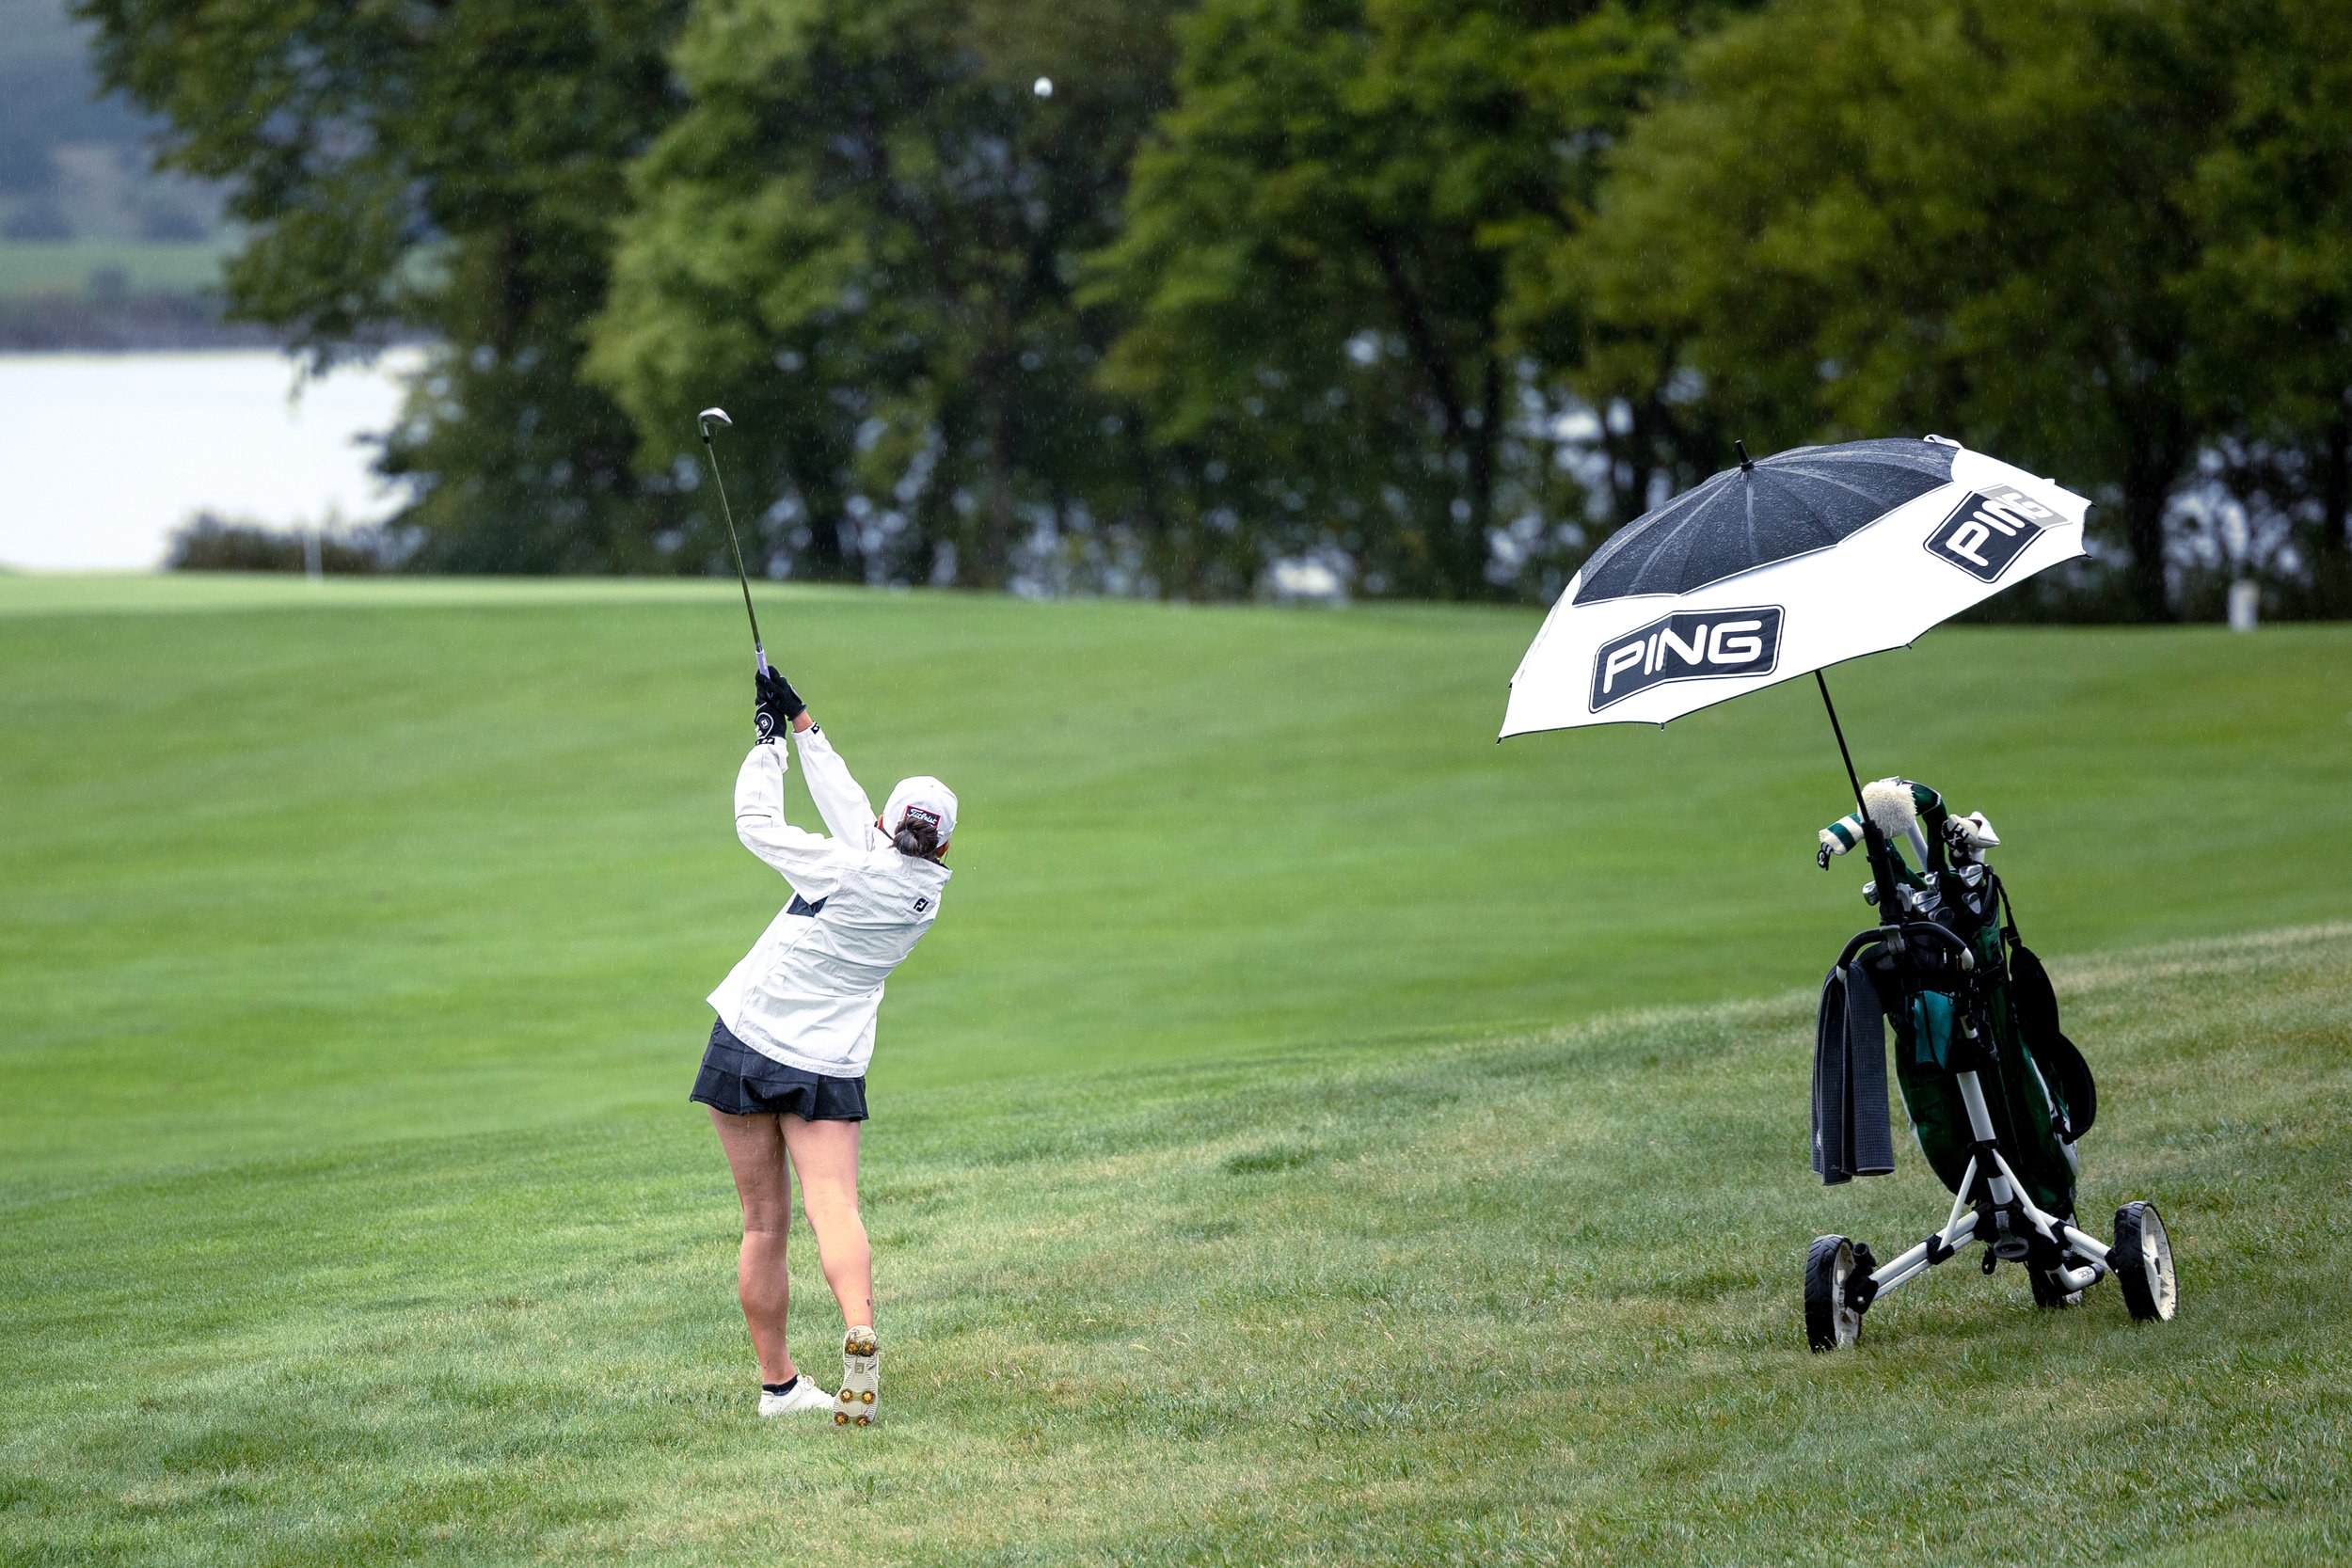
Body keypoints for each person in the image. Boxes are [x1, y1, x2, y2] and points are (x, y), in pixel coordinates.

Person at [691, 664, 957, 1423]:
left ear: (888, 827)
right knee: (833, 1204)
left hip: (747, 1040)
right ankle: (859, 1328)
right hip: (829, 1062)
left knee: (763, 1222)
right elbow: (859, 819)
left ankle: (779, 1385)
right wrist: (806, 723)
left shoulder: (847, 866)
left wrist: (769, 746)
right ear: (938, 846)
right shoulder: (922, 893)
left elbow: (757, 827)